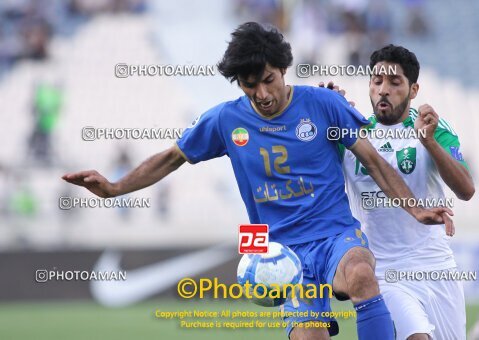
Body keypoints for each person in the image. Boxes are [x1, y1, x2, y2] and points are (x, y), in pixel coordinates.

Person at [62, 23, 453, 340]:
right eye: (250, 85)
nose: (262, 94)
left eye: (268, 80)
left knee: (362, 275)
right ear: (238, 83)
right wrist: (114, 188)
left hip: (336, 235)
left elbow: (373, 161)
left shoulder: (323, 104)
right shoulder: (224, 120)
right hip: (280, 251)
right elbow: (170, 159)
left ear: (283, 69)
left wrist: (415, 208)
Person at [329, 44, 474, 339]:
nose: (384, 89)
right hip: (382, 270)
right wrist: (324, 107)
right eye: (377, 81)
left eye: (394, 83)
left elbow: (466, 190)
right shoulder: (352, 134)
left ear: (413, 89)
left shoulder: (434, 128)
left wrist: (429, 142)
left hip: (436, 267)